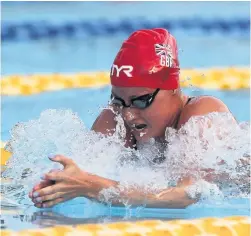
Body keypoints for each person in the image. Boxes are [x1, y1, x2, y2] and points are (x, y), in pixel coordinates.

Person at [29, 28, 232, 209]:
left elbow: (186, 195)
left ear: (173, 88)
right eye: (118, 101)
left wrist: (90, 186)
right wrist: (54, 184)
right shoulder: (116, 119)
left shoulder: (202, 115)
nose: (128, 114)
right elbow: (82, 172)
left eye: (141, 101)